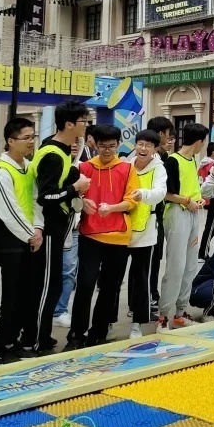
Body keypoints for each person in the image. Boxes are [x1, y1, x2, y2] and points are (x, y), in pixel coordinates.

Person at [65, 125, 136, 350]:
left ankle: (98, 332)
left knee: (110, 287)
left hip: (118, 237)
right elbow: (74, 195)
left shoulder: (126, 168)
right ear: (94, 144)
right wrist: (82, 202)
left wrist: (113, 208)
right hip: (90, 235)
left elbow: (133, 200)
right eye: (103, 146)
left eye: (112, 146)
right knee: (84, 286)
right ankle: (76, 335)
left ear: (118, 145)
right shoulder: (84, 167)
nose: (107, 151)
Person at [27, 102, 91, 354]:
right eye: (83, 121)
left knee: (54, 284)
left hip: (57, 227)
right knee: (48, 285)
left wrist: (80, 195)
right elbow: (47, 196)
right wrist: (75, 190)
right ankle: (36, 338)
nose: (86, 126)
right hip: (49, 228)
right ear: (69, 124)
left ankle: (42, 335)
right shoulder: (52, 154)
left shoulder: (63, 150)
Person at [0, 117, 40, 365]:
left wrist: (37, 229)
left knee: (22, 296)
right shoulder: (0, 170)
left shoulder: (29, 167)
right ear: (10, 141)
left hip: (29, 240)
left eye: (32, 137)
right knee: (3, 298)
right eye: (26, 138)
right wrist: (30, 233)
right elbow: (9, 210)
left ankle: (13, 342)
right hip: (6, 243)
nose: (31, 142)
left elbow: (35, 201)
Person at [158, 122, 209, 331]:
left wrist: (197, 201)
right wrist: (187, 202)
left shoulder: (193, 160)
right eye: (203, 142)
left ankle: (180, 313)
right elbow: (167, 194)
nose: (203, 145)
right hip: (177, 215)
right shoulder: (173, 161)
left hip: (193, 214)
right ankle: (163, 316)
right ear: (198, 141)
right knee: (176, 267)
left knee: (189, 267)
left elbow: (192, 188)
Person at [126, 130, 167, 339]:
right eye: (140, 144)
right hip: (121, 228)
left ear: (155, 149)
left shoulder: (158, 169)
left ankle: (137, 324)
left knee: (142, 278)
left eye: (148, 146)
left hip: (147, 230)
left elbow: (160, 193)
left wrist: (143, 194)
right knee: (113, 278)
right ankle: (105, 321)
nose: (143, 149)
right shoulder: (125, 165)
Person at [52, 138, 84, 330]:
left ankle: (60, 310)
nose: (74, 144)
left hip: (74, 227)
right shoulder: (53, 163)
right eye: (71, 141)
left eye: (77, 142)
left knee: (69, 270)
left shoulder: (83, 167)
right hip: (52, 226)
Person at [145, 117, 174, 318]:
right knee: (148, 262)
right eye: (168, 135)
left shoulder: (162, 157)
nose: (170, 139)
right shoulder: (152, 160)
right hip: (148, 217)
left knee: (154, 260)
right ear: (161, 134)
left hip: (157, 216)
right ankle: (146, 300)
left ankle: (150, 297)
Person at [198, 142, 214, 261]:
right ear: (213, 152)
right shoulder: (212, 165)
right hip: (213, 198)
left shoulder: (203, 163)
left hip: (207, 198)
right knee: (211, 227)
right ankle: (203, 253)